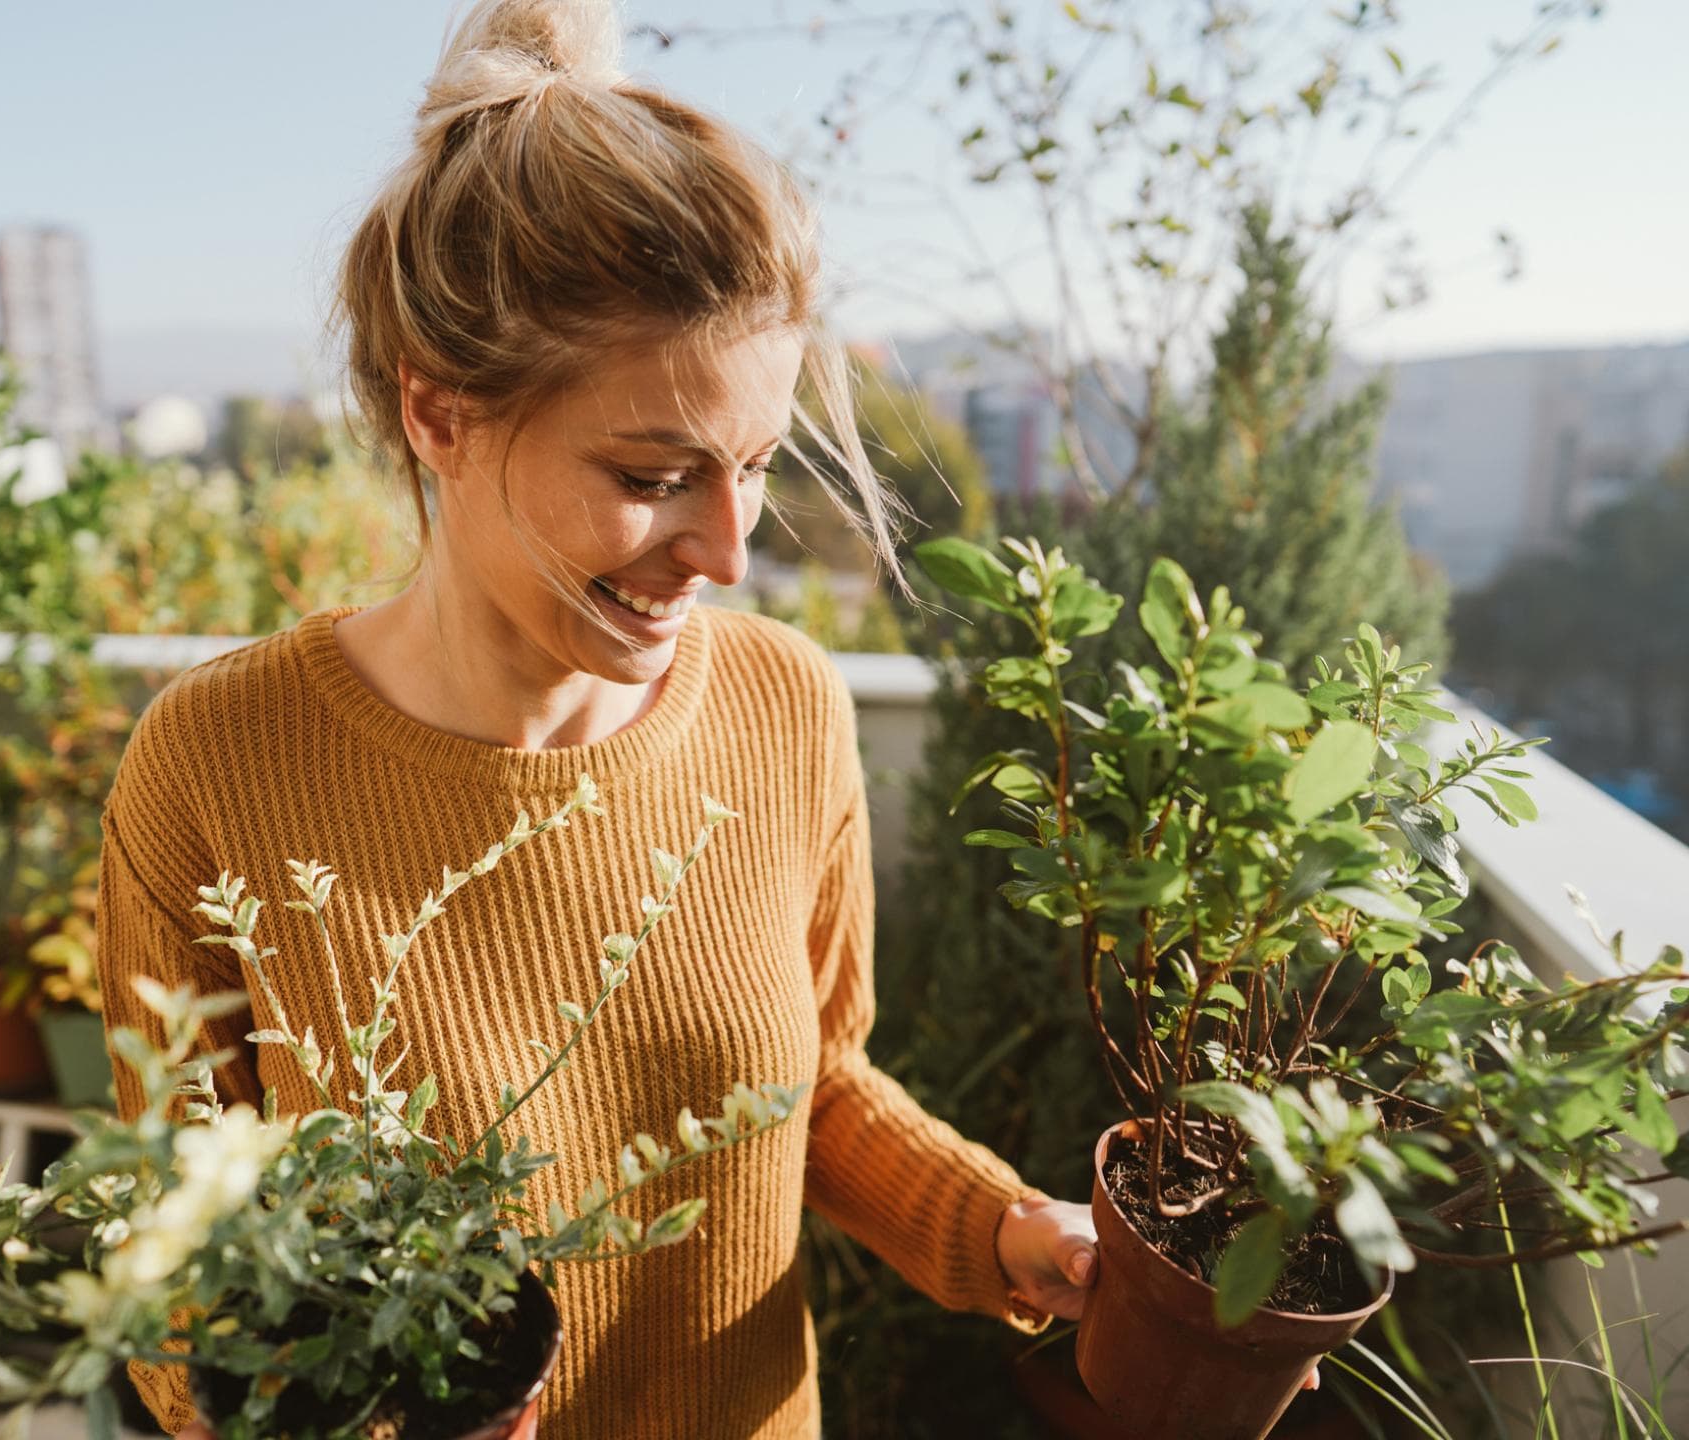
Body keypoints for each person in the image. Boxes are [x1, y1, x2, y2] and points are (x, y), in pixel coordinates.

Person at [97, 2, 1103, 1436]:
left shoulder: (784, 707)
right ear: (437, 416)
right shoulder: (215, 769)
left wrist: (1012, 1229)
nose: (726, 552)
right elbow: (171, 1260)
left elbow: (809, 1089)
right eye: (652, 474)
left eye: (751, 466)